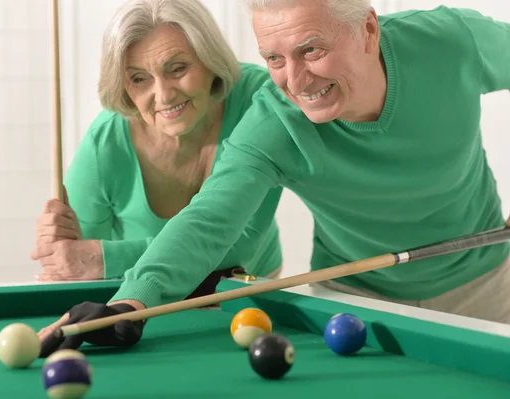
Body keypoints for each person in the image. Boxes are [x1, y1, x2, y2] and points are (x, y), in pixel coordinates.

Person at [38, 0, 510, 355]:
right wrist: (131, 303)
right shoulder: (274, 121)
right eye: (274, 59)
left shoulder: (451, 42)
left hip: (488, 278)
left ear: (367, 29)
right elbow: (208, 222)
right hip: (356, 298)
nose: (297, 81)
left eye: (311, 49)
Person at [31, 0, 286, 354]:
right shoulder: (105, 146)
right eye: (139, 79)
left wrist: (105, 257)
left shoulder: (258, 101)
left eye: (177, 68)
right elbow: (77, 269)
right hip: (143, 305)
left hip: (247, 291)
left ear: (210, 59)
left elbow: (237, 243)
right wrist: (60, 248)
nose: (163, 95)